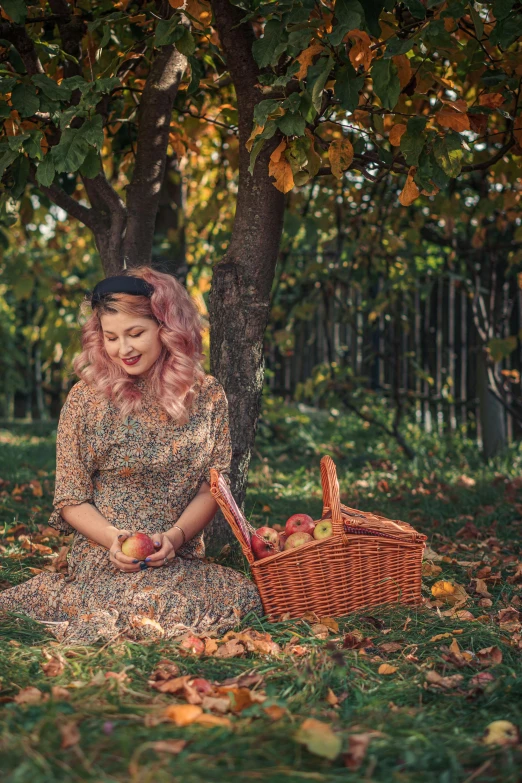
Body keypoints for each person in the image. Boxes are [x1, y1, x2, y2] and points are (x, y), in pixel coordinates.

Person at [0, 266, 262, 643]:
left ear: (166, 328)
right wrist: (112, 540)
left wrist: (175, 537)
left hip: (178, 558)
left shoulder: (206, 396)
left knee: (242, 596)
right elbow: (71, 499)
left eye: (135, 333)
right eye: (111, 337)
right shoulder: (86, 400)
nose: (123, 348)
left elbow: (213, 488)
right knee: (139, 605)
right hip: (107, 557)